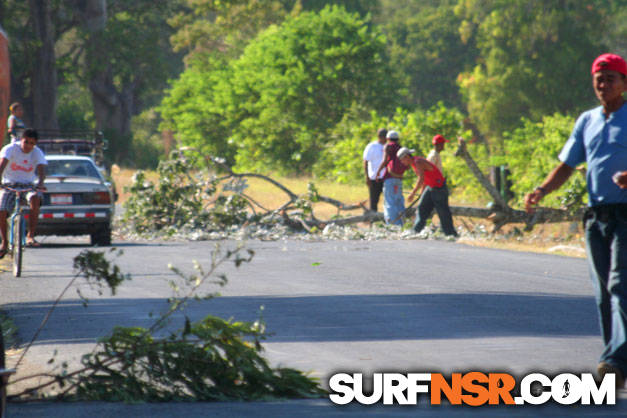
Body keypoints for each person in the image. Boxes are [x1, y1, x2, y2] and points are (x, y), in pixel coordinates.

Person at [524, 53, 627, 386]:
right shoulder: (587, 121)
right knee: (602, 293)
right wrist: (541, 189)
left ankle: (614, 360)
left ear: (624, 83)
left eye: (611, 77)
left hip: (626, 215)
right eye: (599, 78)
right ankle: (616, 361)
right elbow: (567, 166)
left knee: (619, 285)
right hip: (595, 217)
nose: (603, 84)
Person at [0, 128, 47, 256]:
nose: (28, 146)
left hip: (28, 185)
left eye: (32, 143)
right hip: (9, 184)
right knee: (1, 210)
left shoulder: (37, 152)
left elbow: (42, 168)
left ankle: (30, 235)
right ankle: (4, 242)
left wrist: (41, 184)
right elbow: (2, 164)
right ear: (21, 140)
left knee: (35, 198)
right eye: (26, 142)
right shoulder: (10, 149)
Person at [397, 147, 457, 237]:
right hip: (430, 187)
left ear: (406, 157)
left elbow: (421, 179)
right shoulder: (414, 163)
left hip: (439, 188)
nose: (402, 162)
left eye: (402, 160)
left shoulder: (418, 162)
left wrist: (413, 193)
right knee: (422, 207)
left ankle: (450, 233)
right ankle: (416, 230)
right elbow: (425, 179)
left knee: (443, 211)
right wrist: (422, 194)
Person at [375, 130, 404, 225]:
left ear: (388, 138)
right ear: (398, 139)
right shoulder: (400, 148)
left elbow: (385, 161)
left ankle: (392, 225)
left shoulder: (388, 146)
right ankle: (402, 223)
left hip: (389, 178)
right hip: (399, 178)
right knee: (399, 201)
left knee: (389, 202)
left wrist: (378, 172)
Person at [363, 128, 387, 212]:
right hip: (374, 178)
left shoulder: (388, 146)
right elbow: (365, 161)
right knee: (374, 201)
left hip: (385, 177)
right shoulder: (372, 146)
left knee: (387, 200)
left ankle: (386, 219)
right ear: (379, 137)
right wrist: (367, 177)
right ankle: (373, 220)